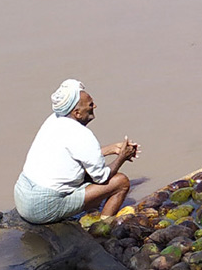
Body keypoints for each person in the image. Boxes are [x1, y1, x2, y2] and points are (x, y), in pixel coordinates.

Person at [13, 79, 140, 224]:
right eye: (91, 104)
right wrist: (122, 157)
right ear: (77, 113)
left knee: (86, 173)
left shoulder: (53, 120)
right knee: (120, 182)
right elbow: (102, 177)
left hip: (22, 196)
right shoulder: (82, 134)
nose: (95, 106)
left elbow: (75, 154)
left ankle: (90, 209)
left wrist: (111, 149)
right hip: (40, 208)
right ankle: (103, 225)